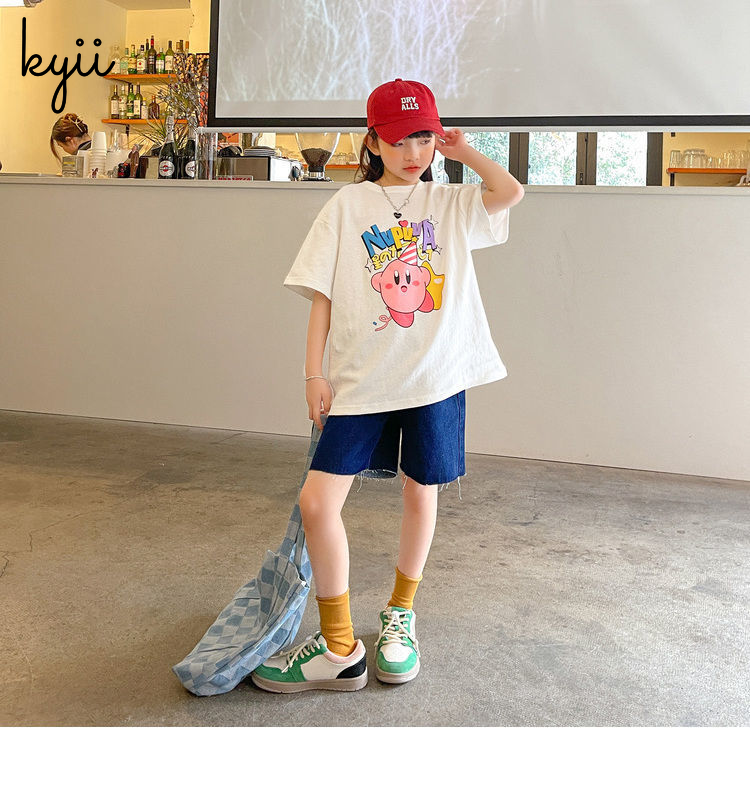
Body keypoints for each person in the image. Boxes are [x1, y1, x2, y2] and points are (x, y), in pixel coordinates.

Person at [251, 78, 525, 694]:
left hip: (433, 377)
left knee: (421, 492)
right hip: (361, 380)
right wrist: (313, 373)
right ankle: (338, 645)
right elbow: (322, 296)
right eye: (400, 140)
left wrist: (462, 151)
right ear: (372, 141)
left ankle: (400, 616)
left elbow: (510, 192)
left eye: (423, 138)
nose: (413, 153)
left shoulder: (449, 201)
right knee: (317, 502)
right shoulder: (346, 207)